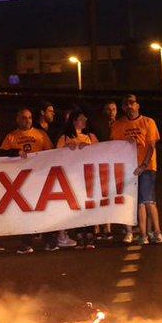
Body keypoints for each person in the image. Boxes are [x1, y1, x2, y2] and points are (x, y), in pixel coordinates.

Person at [1, 108, 66, 254]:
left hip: (39, 178)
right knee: (25, 211)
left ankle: (49, 240)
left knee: (45, 209)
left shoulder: (40, 134)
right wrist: (15, 153)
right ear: (17, 119)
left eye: (29, 118)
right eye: (24, 118)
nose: (27, 120)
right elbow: (2, 155)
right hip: (20, 181)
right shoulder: (11, 136)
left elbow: (50, 152)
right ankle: (26, 242)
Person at [111, 94, 162, 245]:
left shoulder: (148, 122)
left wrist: (144, 165)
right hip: (129, 168)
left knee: (148, 200)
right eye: (126, 104)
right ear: (123, 107)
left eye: (132, 103)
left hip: (146, 167)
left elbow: (151, 146)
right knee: (139, 202)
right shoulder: (119, 125)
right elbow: (115, 146)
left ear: (138, 105)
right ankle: (143, 233)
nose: (130, 106)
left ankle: (157, 232)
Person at [58, 106, 99, 248]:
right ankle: (79, 233)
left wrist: (88, 148)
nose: (85, 120)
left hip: (88, 177)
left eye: (85, 118)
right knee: (76, 206)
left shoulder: (90, 137)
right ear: (74, 121)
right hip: (72, 178)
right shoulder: (65, 138)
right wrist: (66, 149)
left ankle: (90, 233)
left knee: (89, 205)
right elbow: (54, 157)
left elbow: (102, 153)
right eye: (82, 118)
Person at [93, 99, 120, 240]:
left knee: (110, 195)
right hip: (101, 163)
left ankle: (108, 226)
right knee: (99, 195)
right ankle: (97, 226)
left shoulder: (121, 124)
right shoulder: (98, 125)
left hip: (116, 164)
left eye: (114, 109)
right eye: (109, 109)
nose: (111, 112)